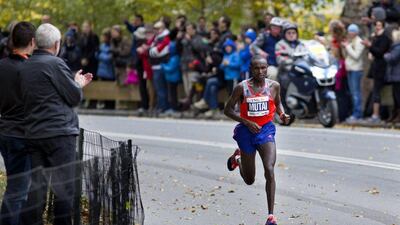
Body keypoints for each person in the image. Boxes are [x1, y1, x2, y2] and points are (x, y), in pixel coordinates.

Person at [19, 23, 92, 225]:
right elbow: (74, 96)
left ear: (35, 43)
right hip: (59, 134)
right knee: (65, 188)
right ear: (56, 44)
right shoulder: (56, 64)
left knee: (37, 187)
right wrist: (78, 83)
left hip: (33, 133)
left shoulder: (25, 66)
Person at [224, 56, 290, 225]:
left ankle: (271, 216)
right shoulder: (242, 88)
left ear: (267, 68)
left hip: (266, 130)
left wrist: (282, 114)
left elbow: (278, 103)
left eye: (263, 68)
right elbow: (227, 110)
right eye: (256, 68)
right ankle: (237, 159)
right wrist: (246, 122)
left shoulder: (274, 86)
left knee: (269, 168)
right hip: (246, 131)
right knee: (249, 180)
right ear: (250, 69)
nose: (260, 72)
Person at [0, 21, 36, 225]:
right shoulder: (30, 69)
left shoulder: (2, 65)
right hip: (21, 134)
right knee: (18, 191)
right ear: (32, 42)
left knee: (17, 186)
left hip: (5, 130)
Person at [362, 20, 392, 123]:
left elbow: (379, 52)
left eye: (379, 25)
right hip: (375, 68)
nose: (377, 27)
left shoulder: (385, 38)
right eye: (376, 25)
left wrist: (370, 46)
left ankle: (376, 114)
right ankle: (375, 113)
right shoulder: (376, 37)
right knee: (376, 91)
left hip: (381, 68)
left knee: (377, 92)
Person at [342, 24, 365, 123]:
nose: (350, 33)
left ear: (356, 32)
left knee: (356, 93)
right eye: (349, 31)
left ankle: (357, 114)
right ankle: (354, 112)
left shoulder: (359, 42)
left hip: (356, 70)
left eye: (352, 31)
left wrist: (347, 47)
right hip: (350, 69)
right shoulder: (351, 42)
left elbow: (356, 56)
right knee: (352, 92)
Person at [251, 17, 284, 81]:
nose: (276, 29)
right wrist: (261, 52)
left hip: (281, 64)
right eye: (274, 27)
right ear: (270, 27)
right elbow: (253, 46)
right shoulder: (264, 36)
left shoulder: (282, 38)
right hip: (269, 64)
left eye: (278, 27)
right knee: (273, 74)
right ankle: (270, 90)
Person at [148, 21, 170, 113]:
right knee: (158, 88)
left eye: (158, 28)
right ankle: (160, 105)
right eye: (155, 29)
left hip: (161, 65)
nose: (156, 30)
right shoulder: (156, 38)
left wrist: (150, 51)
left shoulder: (165, 38)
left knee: (161, 88)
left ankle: (163, 106)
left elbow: (156, 52)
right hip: (155, 66)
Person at [384, 28, 400, 123]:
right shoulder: (395, 47)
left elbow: (392, 58)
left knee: (397, 96)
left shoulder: (397, 48)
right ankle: (395, 114)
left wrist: (386, 55)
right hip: (395, 75)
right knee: (395, 96)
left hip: (397, 75)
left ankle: (397, 115)